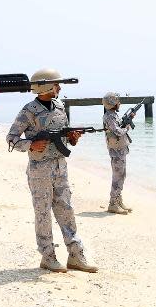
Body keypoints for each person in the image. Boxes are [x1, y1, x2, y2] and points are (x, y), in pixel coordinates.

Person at [6, 68, 98, 273]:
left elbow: (63, 136)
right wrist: (30, 144)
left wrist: (72, 139)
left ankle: (76, 255)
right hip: (40, 170)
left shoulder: (59, 106)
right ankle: (47, 256)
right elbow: (11, 138)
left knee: (66, 210)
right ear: (46, 86)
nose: (59, 87)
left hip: (60, 167)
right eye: (57, 84)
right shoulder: (28, 110)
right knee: (43, 213)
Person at [102, 92, 133, 214]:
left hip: (119, 149)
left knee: (122, 175)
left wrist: (128, 120)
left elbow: (117, 127)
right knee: (117, 176)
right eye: (117, 101)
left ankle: (118, 200)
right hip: (116, 151)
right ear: (113, 103)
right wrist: (127, 128)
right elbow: (117, 131)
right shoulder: (109, 116)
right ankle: (113, 204)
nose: (119, 103)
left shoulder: (113, 115)